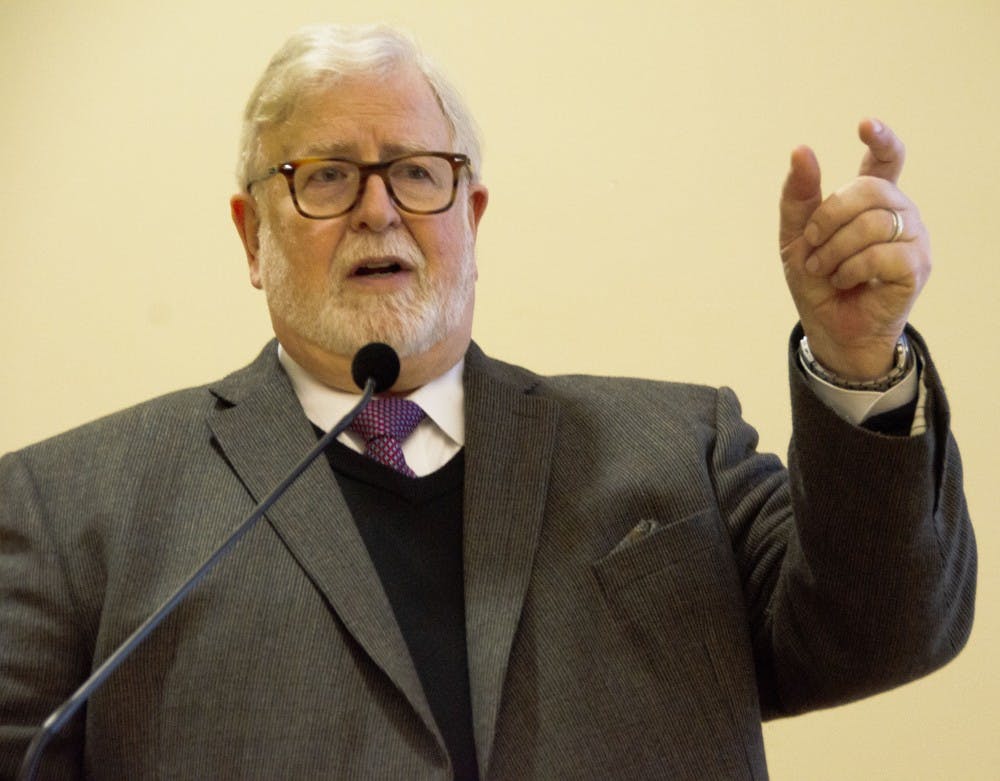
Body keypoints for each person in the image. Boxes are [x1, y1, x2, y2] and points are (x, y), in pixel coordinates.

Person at [0, 23, 975, 781]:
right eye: (327, 177)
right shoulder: (67, 509)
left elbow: (883, 629)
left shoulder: (677, 447)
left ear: (471, 216)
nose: (379, 209)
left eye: (418, 173)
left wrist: (857, 358)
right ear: (250, 233)